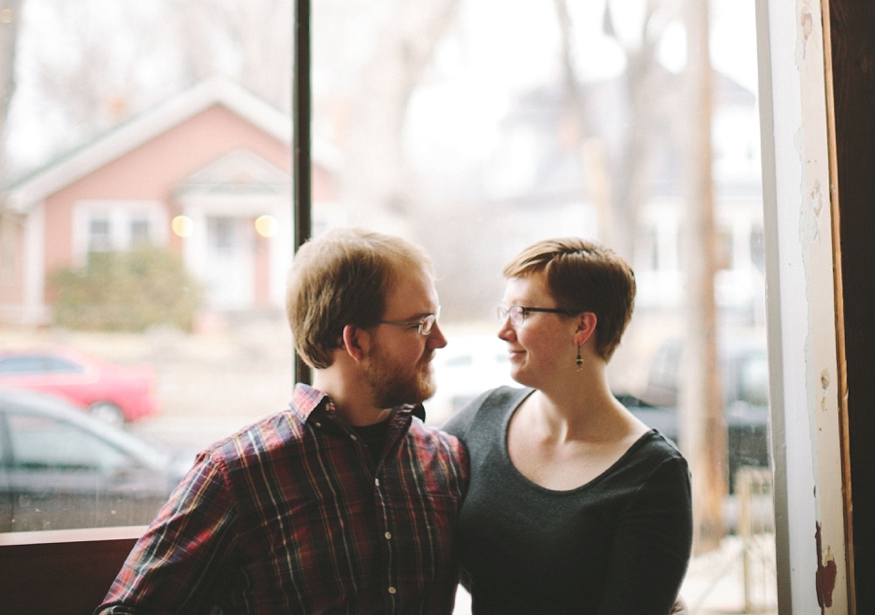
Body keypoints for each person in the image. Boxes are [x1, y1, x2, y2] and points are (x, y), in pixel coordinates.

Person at [98, 227, 467, 615]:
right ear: (356, 341)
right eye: (419, 324)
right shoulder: (237, 474)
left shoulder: (447, 460)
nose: (440, 339)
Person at [445, 237, 693, 615]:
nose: (503, 331)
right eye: (504, 311)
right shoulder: (483, 417)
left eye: (522, 313)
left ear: (582, 326)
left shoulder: (653, 474)